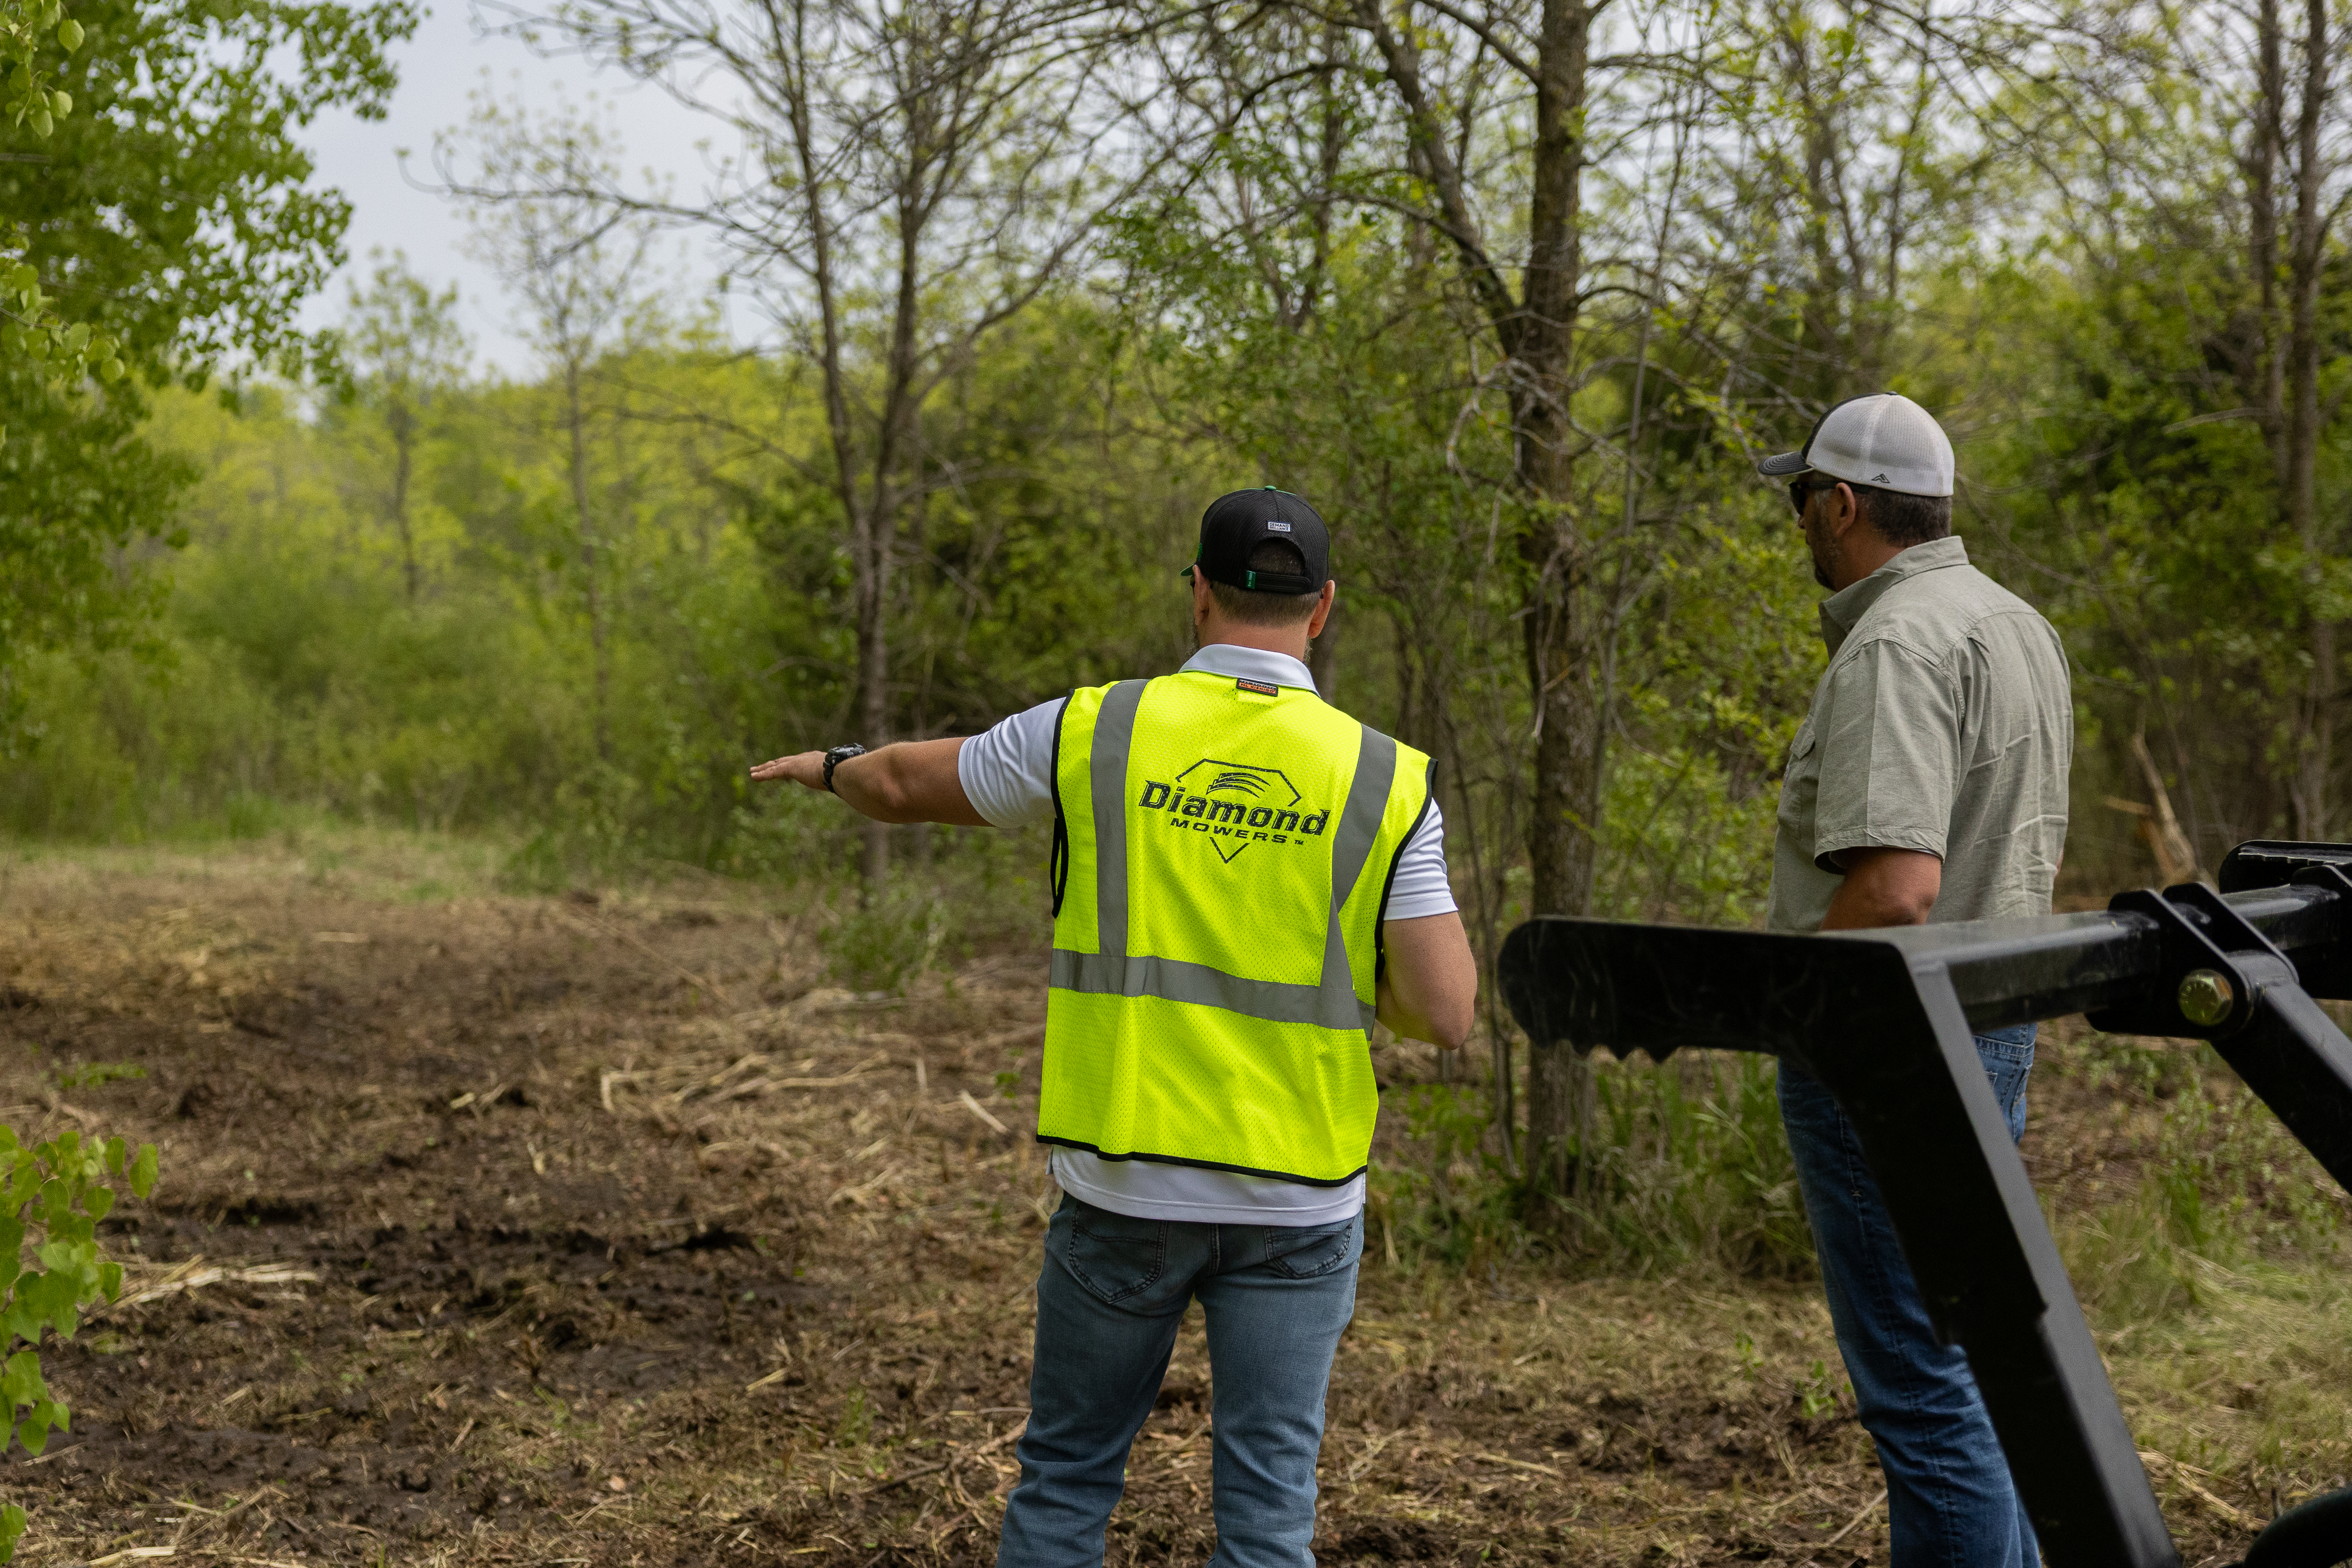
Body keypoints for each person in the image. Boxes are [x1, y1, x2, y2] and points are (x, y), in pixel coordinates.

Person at [750, 487, 1479, 1568]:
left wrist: (831, 765)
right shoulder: (1382, 776)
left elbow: (904, 786)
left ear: (1196, 593)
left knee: (1069, 1480)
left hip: (1124, 1183)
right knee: (1272, 1512)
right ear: (1321, 609)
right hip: (1298, 1193)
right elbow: (1445, 1012)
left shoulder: (1099, 728)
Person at [1758, 393, 2072, 1568]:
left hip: (1884, 1051)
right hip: (1986, 1031)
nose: (1796, 523)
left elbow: (1894, 887)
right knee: (1981, 1365)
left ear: (1840, 505)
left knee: (1923, 1392)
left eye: (1799, 500)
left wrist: (1788, 1010)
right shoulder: (2015, 623)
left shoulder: (1894, 642)